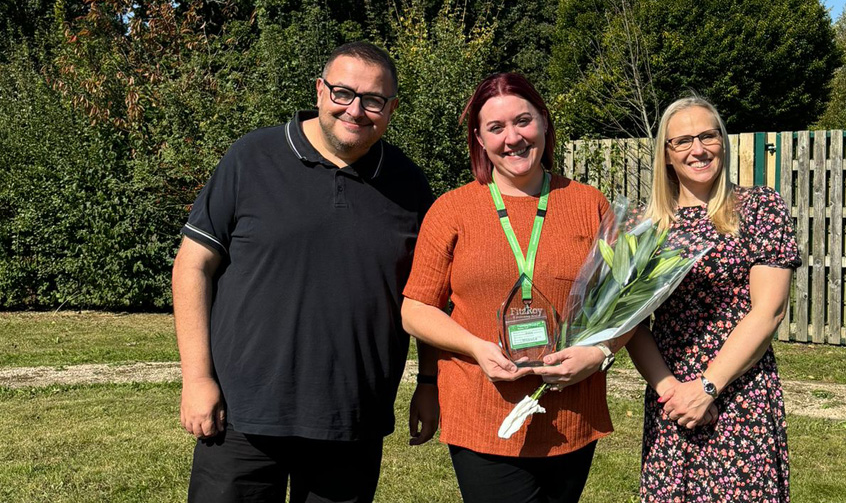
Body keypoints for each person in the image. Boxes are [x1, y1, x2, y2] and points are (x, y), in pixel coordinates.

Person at [172, 41, 438, 503]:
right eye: (342, 93)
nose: (356, 110)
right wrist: (197, 379)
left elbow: (430, 298)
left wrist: (429, 384)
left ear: (391, 108)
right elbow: (192, 266)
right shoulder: (251, 158)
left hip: (352, 418)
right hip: (241, 415)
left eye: (373, 100)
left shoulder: (409, 185)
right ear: (319, 91)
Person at [400, 72, 625, 503]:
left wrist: (598, 354)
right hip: (482, 407)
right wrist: (474, 347)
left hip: (571, 409)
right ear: (480, 140)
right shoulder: (452, 210)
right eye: (496, 128)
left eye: (523, 121)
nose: (513, 138)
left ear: (543, 122)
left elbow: (625, 304)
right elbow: (415, 309)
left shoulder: (589, 204)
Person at [625, 95, 801, 502]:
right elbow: (630, 323)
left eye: (708, 136)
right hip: (670, 397)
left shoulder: (759, 209)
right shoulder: (645, 226)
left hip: (741, 392)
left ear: (723, 140)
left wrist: (707, 387)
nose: (698, 149)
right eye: (682, 141)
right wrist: (672, 391)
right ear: (666, 155)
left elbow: (769, 311)